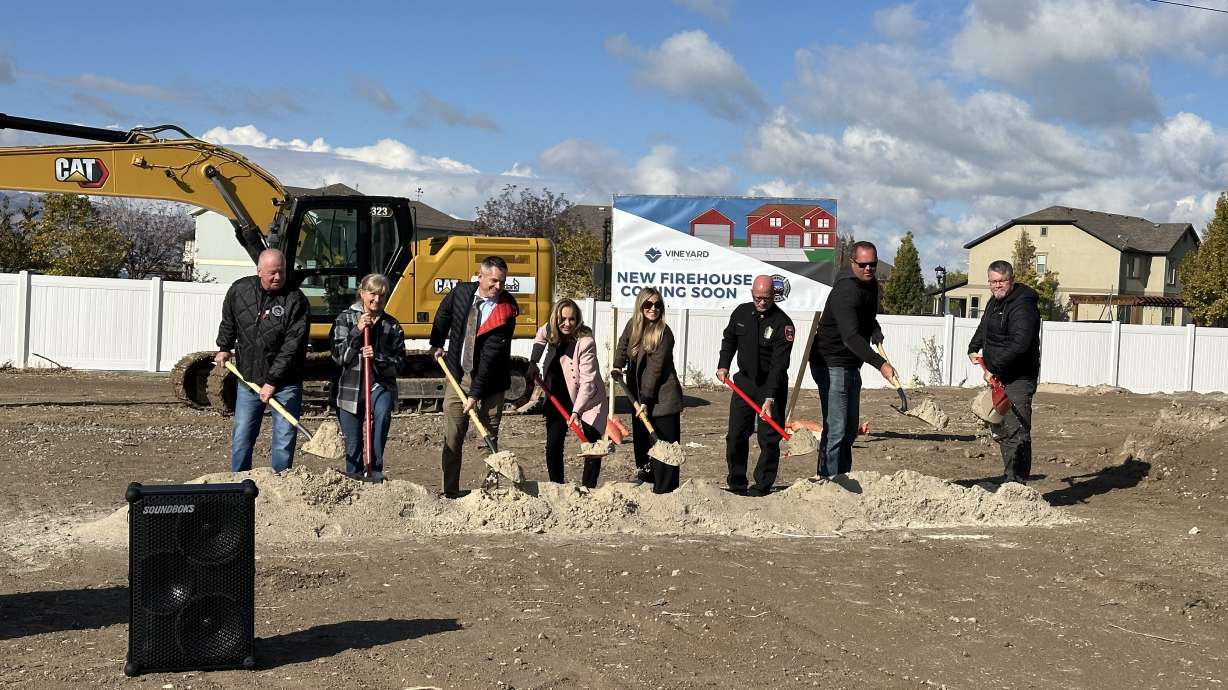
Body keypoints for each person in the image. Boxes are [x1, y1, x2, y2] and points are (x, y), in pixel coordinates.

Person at [429, 256, 519, 498]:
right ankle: (450, 492)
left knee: (486, 438)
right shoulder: (461, 293)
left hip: (491, 383)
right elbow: (443, 315)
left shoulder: (506, 310)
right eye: (493, 281)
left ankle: (486, 495)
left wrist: (475, 394)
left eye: (502, 282)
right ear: (480, 276)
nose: (498, 287)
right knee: (453, 437)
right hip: (458, 377)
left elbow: (491, 356)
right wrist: (436, 342)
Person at [214, 248, 310, 473]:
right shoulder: (239, 290)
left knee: (283, 440)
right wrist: (224, 347)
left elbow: (292, 348)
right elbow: (229, 321)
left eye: (282, 272)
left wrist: (272, 381)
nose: (278, 277)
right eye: (272, 273)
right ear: (259, 271)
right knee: (242, 436)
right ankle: (239, 483)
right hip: (249, 380)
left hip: (286, 383)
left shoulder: (296, 300)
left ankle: (280, 484)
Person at [811, 241, 897, 478]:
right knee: (836, 428)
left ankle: (843, 478)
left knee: (849, 430)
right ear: (852, 263)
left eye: (873, 264)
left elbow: (865, 316)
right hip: (830, 362)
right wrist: (881, 364)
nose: (868, 269)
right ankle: (827, 480)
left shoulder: (870, 286)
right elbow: (850, 336)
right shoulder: (845, 290)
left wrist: (874, 328)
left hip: (850, 363)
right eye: (863, 265)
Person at [716, 275, 795, 496]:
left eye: (767, 298)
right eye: (758, 298)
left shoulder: (783, 324)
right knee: (735, 435)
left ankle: (762, 485)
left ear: (774, 296)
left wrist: (769, 397)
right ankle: (737, 482)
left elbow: (780, 365)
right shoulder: (741, 313)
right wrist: (723, 365)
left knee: (769, 439)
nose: (762, 302)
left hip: (772, 386)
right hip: (744, 384)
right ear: (752, 294)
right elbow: (729, 339)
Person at [967, 259, 1041, 485]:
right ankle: (1010, 480)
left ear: (1011, 280)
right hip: (1000, 376)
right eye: (993, 282)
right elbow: (985, 326)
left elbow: (1020, 344)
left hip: (1019, 377)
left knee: (1017, 431)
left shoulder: (1023, 305)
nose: (997, 285)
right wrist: (973, 347)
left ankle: (1017, 486)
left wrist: (994, 369)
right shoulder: (995, 302)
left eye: (1002, 281)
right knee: (1003, 428)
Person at [329, 273, 406, 481]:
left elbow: (400, 364)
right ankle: (354, 479)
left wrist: (378, 358)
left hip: (379, 386)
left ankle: (375, 471)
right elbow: (339, 357)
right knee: (353, 444)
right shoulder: (344, 319)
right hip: (350, 389)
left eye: (382, 295)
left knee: (382, 414)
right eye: (372, 294)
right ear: (362, 293)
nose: (377, 300)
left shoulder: (392, 325)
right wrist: (357, 332)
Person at [527, 299, 609, 488]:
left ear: (577, 320)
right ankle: (558, 487)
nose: (567, 324)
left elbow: (588, 382)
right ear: (556, 319)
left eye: (572, 319)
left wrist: (576, 412)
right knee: (554, 444)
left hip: (587, 399)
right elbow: (540, 338)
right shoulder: (550, 329)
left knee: (592, 445)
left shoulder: (585, 342)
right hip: (557, 395)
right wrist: (533, 362)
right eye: (562, 319)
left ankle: (588, 489)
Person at [612, 287, 684, 493]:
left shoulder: (663, 333)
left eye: (657, 305)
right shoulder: (633, 325)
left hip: (661, 400)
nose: (653, 308)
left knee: (665, 445)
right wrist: (618, 365)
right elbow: (623, 345)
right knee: (643, 443)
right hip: (639, 396)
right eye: (648, 304)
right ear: (640, 306)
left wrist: (645, 399)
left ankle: (666, 489)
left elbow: (655, 369)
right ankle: (648, 479)